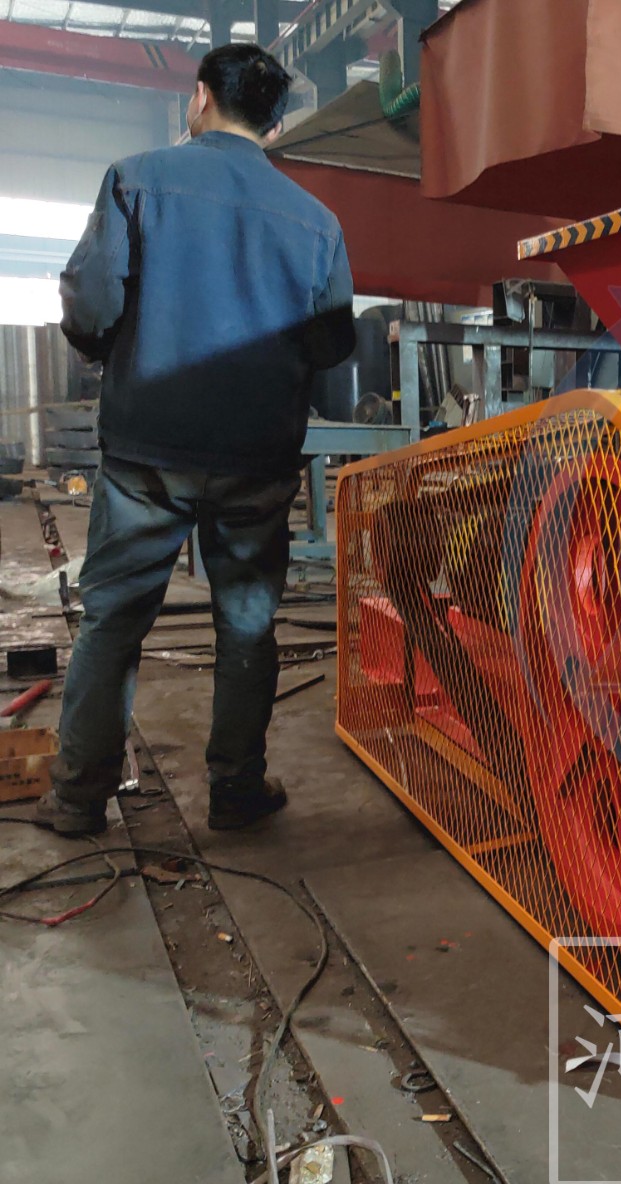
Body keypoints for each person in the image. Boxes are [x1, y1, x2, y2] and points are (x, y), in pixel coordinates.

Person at [37, 42, 356, 837]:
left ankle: (78, 800)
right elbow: (332, 344)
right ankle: (236, 790)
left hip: (148, 449)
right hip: (256, 456)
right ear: (274, 127)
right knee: (246, 625)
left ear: (200, 98)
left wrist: (120, 351)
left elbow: (90, 306)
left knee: (114, 621)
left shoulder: (137, 179)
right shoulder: (317, 222)